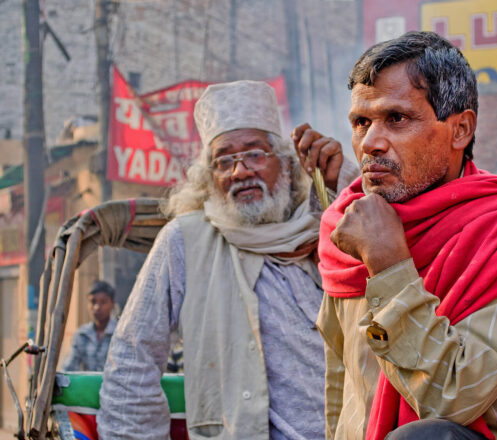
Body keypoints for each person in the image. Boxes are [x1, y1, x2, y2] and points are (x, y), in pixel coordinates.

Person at [309, 31, 497, 440]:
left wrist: (389, 267)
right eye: (360, 122)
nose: (370, 143)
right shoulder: (348, 227)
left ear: (460, 130)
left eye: (396, 119)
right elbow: (343, 385)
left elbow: (454, 399)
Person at [97, 80, 359, 439]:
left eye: (254, 154)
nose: (240, 172)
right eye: (224, 161)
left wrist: (344, 181)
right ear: (209, 178)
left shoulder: (328, 223)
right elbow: (133, 361)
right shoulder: (185, 241)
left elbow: (395, 276)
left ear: (285, 163)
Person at [62, 280, 117, 372]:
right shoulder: (82, 334)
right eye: (93, 302)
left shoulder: (120, 334)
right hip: (87, 385)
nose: (97, 307)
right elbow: (68, 369)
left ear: (112, 304)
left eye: (103, 302)